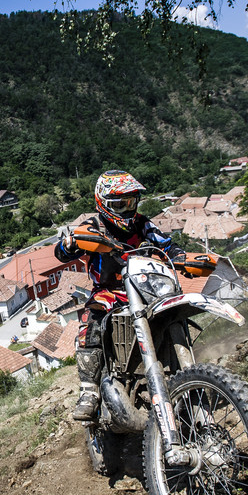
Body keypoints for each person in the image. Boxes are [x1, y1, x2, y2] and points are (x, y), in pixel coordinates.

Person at [54, 170, 185, 421]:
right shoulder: (94, 226)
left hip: (144, 287)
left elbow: (166, 243)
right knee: (90, 323)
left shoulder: (142, 224)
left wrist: (179, 257)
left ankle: (186, 371)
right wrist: (70, 243)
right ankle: (89, 391)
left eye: (130, 202)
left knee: (173, 307)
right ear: (103, 203)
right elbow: (62, 252)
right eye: (119, 204)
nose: (126, 209)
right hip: (109, 291)